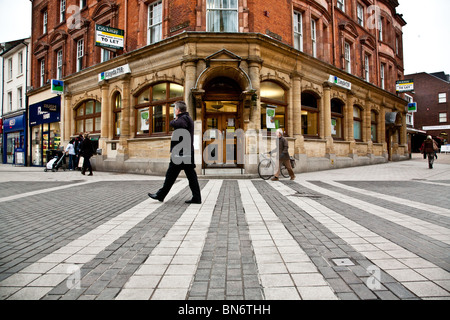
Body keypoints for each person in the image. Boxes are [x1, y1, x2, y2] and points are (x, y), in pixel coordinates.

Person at [148, 101, 202, 204]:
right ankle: (196, 197)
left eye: (175, 109)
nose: (174, 111)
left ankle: (160, 195)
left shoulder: (183, 118)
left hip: (181, 154)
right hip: (185, 153)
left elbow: (177, 124)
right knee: (190, 177)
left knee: (171, 176)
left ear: (178, 110)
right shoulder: (187, 118)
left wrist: (173, 121)